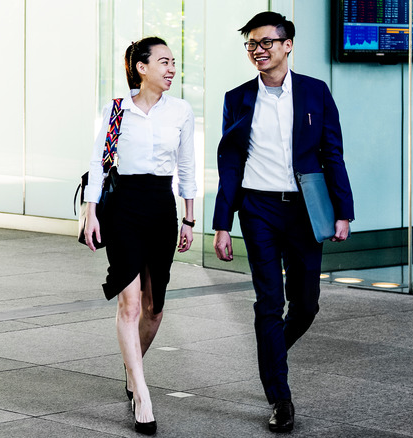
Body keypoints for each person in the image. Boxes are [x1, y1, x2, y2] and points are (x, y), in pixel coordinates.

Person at [212, 11, 355, 434]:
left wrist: (343, 210)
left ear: (287, 45)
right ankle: (281, 397)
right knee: (269, 303)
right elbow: (230, 164)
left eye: (266, 42)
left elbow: (333, 153)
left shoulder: (315, 92)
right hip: (258, 210)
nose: (258, 50)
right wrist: (223, 223)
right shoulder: (237, 97)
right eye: (251, 44)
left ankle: (271, 353)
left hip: (305, 210)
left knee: (306, 303)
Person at [83, 36, 196, 436]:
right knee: (129, 305)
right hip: (124, 210)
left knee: (155, 307)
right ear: (141, 67)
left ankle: (132, 368)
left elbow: (187, 166)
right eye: (163, 61)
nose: (171, 69)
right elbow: (98, 163)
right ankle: (142, 394)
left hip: (161, 208)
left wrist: (189, 220)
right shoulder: (116, 110)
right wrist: (91, 212)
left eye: (174, 62)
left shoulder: (181, 111)